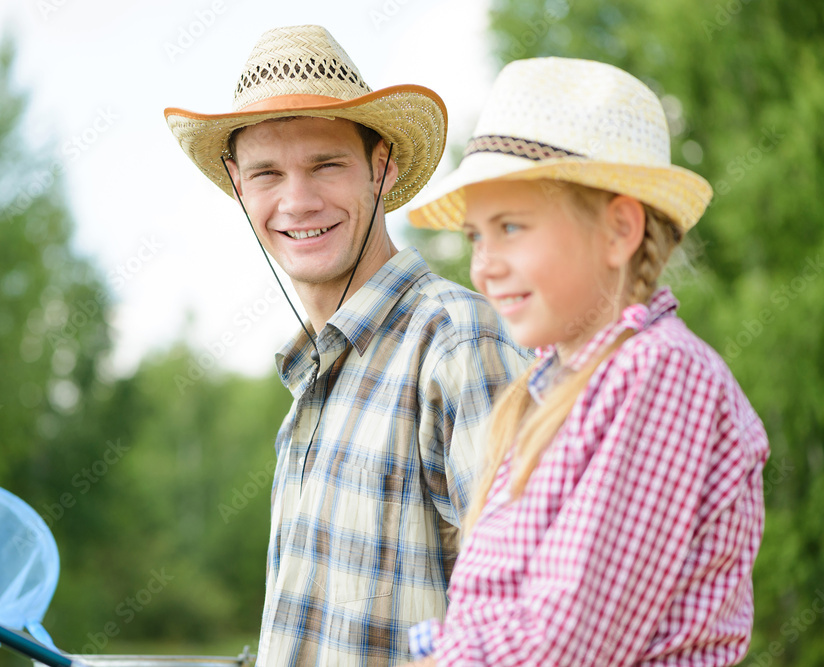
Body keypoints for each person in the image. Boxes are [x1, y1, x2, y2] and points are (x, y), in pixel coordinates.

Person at [165, 25, 529, 666]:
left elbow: (533, 619)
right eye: (268, 173)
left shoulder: (456, 344)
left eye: (325, 164)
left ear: (381, 166)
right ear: (238, 184)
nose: (297, 201)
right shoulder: (312, 378)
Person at [403, 57, 769, 666]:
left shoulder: (662, 375)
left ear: (618, 230)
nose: (483, 265)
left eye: (512, 227)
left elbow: (566, 644)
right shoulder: (550, 389)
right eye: (475, 236)